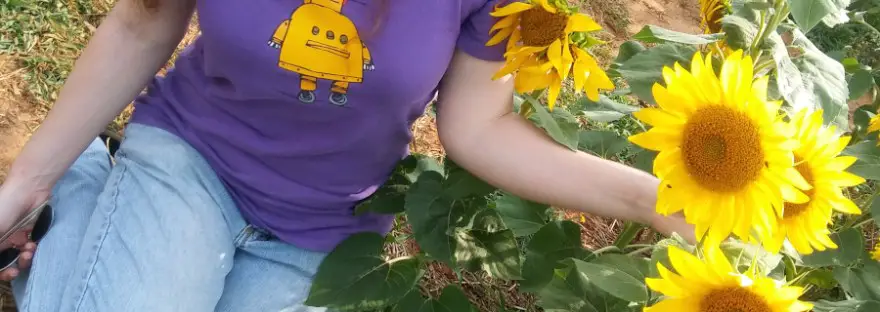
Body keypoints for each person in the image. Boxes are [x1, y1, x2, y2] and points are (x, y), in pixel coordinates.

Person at [0, 0, 694, 310]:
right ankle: (80, 179)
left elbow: (477, 127)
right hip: (193, 159)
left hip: (323, 230)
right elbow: (142, 20)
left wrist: (649, 200)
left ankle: (89, 184)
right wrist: (26, 185)